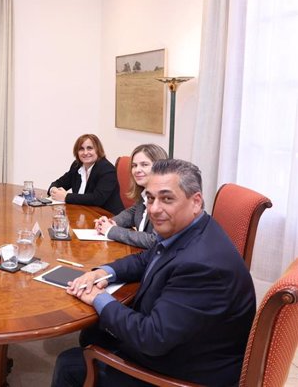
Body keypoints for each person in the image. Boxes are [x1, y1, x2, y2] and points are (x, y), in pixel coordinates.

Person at [51, 159, 255, 387]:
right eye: (150, 198)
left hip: (183, 374)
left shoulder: (201, 265)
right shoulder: (194, 228)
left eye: (167, 199)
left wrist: (100, 298)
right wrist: (102, 273)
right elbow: (146, 258)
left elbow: (151, 337)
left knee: (69, 365)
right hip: (185, 343)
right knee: (93, 332)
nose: (154, 209)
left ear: (196, 201)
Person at [94, 143, 168, 248]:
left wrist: (112, 230)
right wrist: (111, 222)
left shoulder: (166, 200)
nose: (137, 170)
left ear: (160, 167)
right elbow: (132, 212)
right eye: (134, 165)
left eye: (144, 164)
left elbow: (154, 240)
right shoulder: (145, 193)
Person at [48, 134, 124, 215]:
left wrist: (66, 196)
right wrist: (54, 190)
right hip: (83, 214)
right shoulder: (77, 165)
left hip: (107, 217)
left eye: (89, 148)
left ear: (98, 150)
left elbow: (97, 199)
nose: (85, 152)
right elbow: (60, 182)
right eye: (81, 149)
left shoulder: (107, 169)